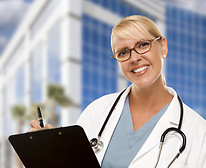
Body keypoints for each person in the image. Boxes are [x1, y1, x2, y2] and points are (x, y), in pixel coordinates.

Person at [31, 15, 206, 167]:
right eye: (123, 53)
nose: (135, 58)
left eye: (143, 44)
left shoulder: (198, 131)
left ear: (163, 46)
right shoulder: (97, 111)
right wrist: (49, 153)